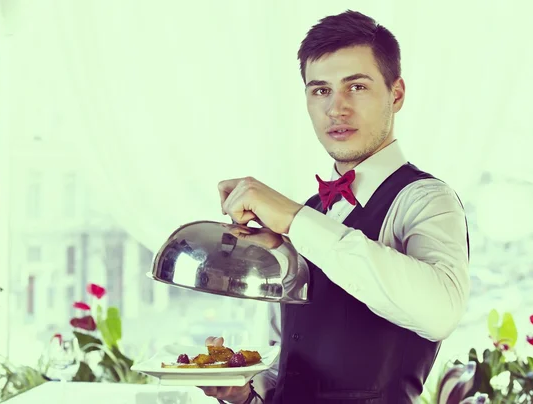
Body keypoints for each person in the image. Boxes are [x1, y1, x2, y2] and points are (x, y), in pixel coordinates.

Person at [200, 9, 470, 404]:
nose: (335, 108)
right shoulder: (309, 214)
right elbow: (287, 367)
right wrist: (243, 393)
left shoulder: (426, 199)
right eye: (320, 90)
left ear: (396, 94)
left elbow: (441, 311)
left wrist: (294, 219)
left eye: (356, 87)